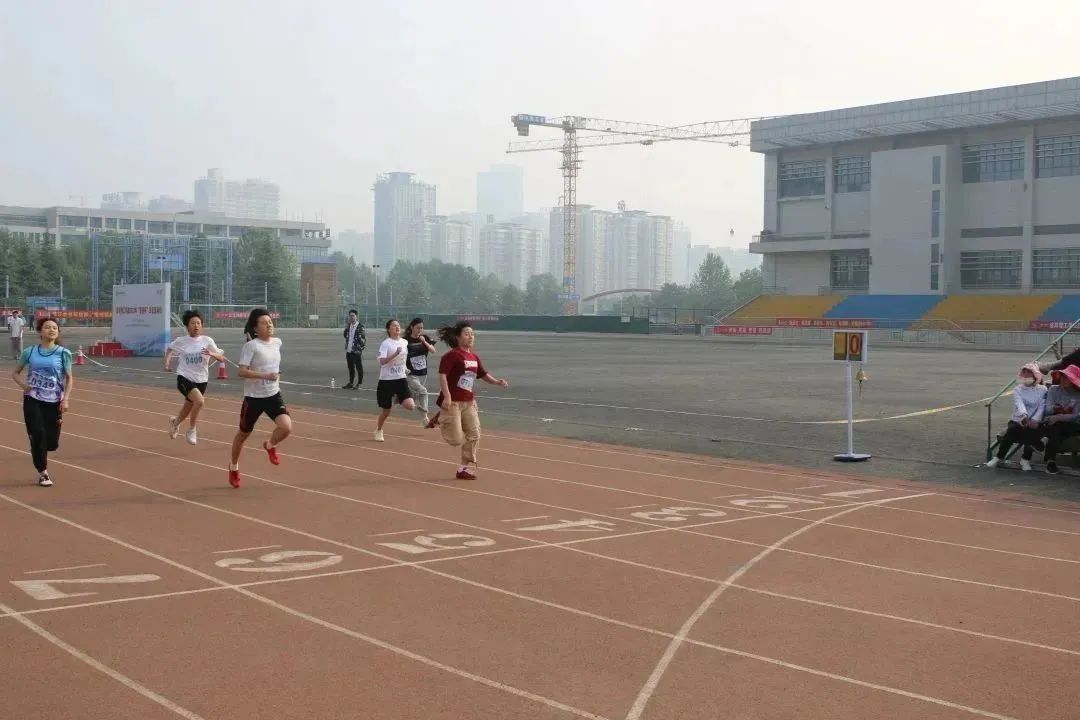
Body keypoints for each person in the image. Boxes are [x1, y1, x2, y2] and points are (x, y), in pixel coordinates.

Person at [433, 321, 509, 480]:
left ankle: (463, 468)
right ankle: (442, 418)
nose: (470, 337)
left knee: (475, 434)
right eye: (467, 334)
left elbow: (483, 374)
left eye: (472, 334)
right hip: (453, 402)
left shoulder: (474, 357)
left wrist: (497, 382)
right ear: (458, 337)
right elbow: (443, 376)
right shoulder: (452, 356)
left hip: (468, 402)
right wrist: (447, 396)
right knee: (456, 440)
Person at [229, 308, 292, 488]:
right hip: (254, 398)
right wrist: (265, 376)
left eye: (270, 322)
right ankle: (233, 467)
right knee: (243, 435)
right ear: (256, 329)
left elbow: (272, 365)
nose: (269, 325)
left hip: (273, 395)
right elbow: (242, 372)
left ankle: (270, 445)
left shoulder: (277, 342)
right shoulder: (251, 346)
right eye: (264, 323)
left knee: (286, 427)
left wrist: (274, 376)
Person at [10, 317, 73, 487]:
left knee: (51, 443)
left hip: (54, 401)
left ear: (58, 332)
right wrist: (24, 386)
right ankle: (43, 472)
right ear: (40, 332)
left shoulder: (63, 353)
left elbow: (69, 378)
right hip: (33, 399)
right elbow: (15, 373)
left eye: (54, 328)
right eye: (47, 327)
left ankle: (40, 447)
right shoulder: (30, 352)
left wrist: (66, 399)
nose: (51, 330)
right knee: (38, 434)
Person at [163, 310, 225, 445]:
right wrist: (167, 363)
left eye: (198, 323)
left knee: (189, 406)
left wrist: (211, 353)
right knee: (200, 401)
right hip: (184, 377)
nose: (196, 326)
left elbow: (221, 358)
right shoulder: (181, 341)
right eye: (193, 323)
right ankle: (192, 429)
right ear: (187, 325)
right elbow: (169, 349)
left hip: (202, 379)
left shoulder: (207, 340)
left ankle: (175, 422)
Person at [986, 362, 1046, 471]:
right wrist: (1024, 416)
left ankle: (1025, 459)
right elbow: (1019, 403)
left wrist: (1035, 420)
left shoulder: (1043, 390)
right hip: (1018, 419)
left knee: (1033, 430)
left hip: (1035, 421)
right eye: (1024, 373)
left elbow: (1042, 406)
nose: (1026, 375)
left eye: (1029, 373)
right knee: (1012, 429)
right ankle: (999, 457)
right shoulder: (1018, 389)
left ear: (1035, 375)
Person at [374, 319, 417, 442]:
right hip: (387, 380)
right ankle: (379, 430)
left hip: (401, 379)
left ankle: (398, 398)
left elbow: (403, 359)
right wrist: (395, 354)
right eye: (394, 326)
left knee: (411, 406)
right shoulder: (386, 344)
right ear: (389, 329)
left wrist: (406, 369)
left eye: (398, 325)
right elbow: (382, 362)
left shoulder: (404, 342)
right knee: (386, 411)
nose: (397, 327)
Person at [1040, 364, 1080, 475]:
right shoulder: (1053, 390)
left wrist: (1058, 417)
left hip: (1073, 424)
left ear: (1073, 381)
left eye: (1068, 378)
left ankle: (1048, 455)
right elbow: (1048, 409)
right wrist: (1058, 409)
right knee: (1056, 428)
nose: (1064, 380)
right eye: (1062, 377)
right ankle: (1050, 461)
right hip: (1054, 424)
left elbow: (1075, 416)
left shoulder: (1078, 395)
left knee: (1056, 426)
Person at [404, 317, 437, 427]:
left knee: (416, 395)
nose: (420, 330)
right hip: (410, 373)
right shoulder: (405, 341)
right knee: (423, 392)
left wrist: (424, 342)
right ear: (412, 327)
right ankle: (425, 418)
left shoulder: (425, 338)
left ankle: (398, 398)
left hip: (422, 373)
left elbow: (433, 351)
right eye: (418, 328)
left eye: (421, 328)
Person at [342, 309, 366, 389]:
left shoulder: (360, 327)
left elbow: (363, 340)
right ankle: (351, 383)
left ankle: (359, 383)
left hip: (356, 351)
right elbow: (345, 335)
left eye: (353, 316)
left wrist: (360, 349)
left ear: (356, 316)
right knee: (350, 368)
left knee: (359, 368)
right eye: (350, 316)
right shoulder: (349, 326)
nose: (351, 317)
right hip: (349, 350)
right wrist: (347, 327)